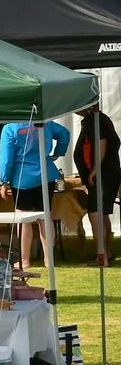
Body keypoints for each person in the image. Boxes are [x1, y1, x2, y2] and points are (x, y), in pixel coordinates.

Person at [0, 116, 69, 286]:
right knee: (45, 215)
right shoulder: (45, 122)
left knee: (23, 218)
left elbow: (6, 158)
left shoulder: (10, 127)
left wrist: (4, 180)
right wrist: (58, 152)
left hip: (22, 178)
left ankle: (25, 260)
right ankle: (48, 259)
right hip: (46, 174)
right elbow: (64, 133)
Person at [75, 103, 119, 263]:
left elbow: (101, 143)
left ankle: (103, 257)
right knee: (101, 213)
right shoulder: (93, 119)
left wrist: (95, 169)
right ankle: (106, 253)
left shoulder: (96, 120)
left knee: (95, 213)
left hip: (103, 175)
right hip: (105, 174)